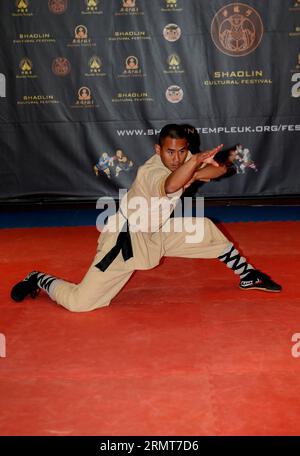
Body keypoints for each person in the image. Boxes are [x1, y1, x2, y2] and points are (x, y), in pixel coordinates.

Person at [11, 124, 281, 312]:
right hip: (124, 240)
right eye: (169, 152)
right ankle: (38, 278)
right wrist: (193, 162)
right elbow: (173, 184)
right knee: (80, 304)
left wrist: (215, 165)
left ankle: (248, 275)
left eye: (181, 152)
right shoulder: (150, 173)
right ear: (157, 149)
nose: (175, 158)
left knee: (204, 229)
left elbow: (204, 174)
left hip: (156, 231)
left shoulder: (185, 160)